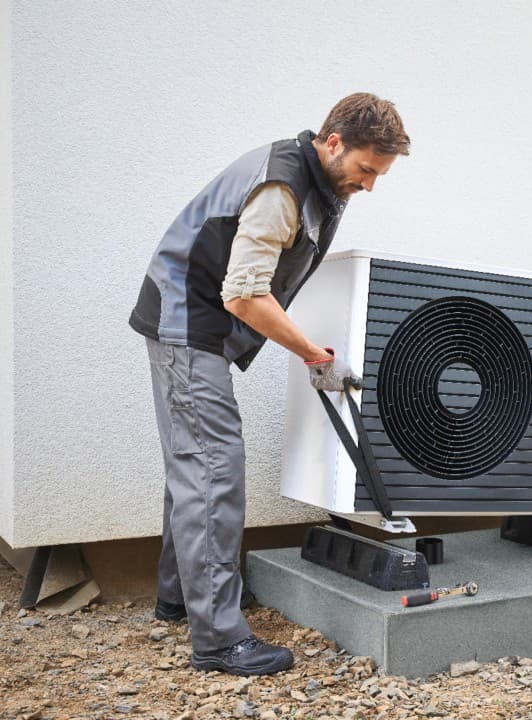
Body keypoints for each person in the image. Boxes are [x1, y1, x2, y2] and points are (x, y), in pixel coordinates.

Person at [129, 92, 411, 675]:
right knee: (212, 467)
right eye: (365, 170)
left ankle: (182, 598)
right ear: (333, 143)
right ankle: (219, 639)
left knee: (193, 462)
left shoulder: (319, 183)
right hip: (187, 320)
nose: (370, 185)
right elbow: (242, 293)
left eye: (379, 175)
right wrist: (311, 352)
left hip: (197, 321)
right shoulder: (282, 188)